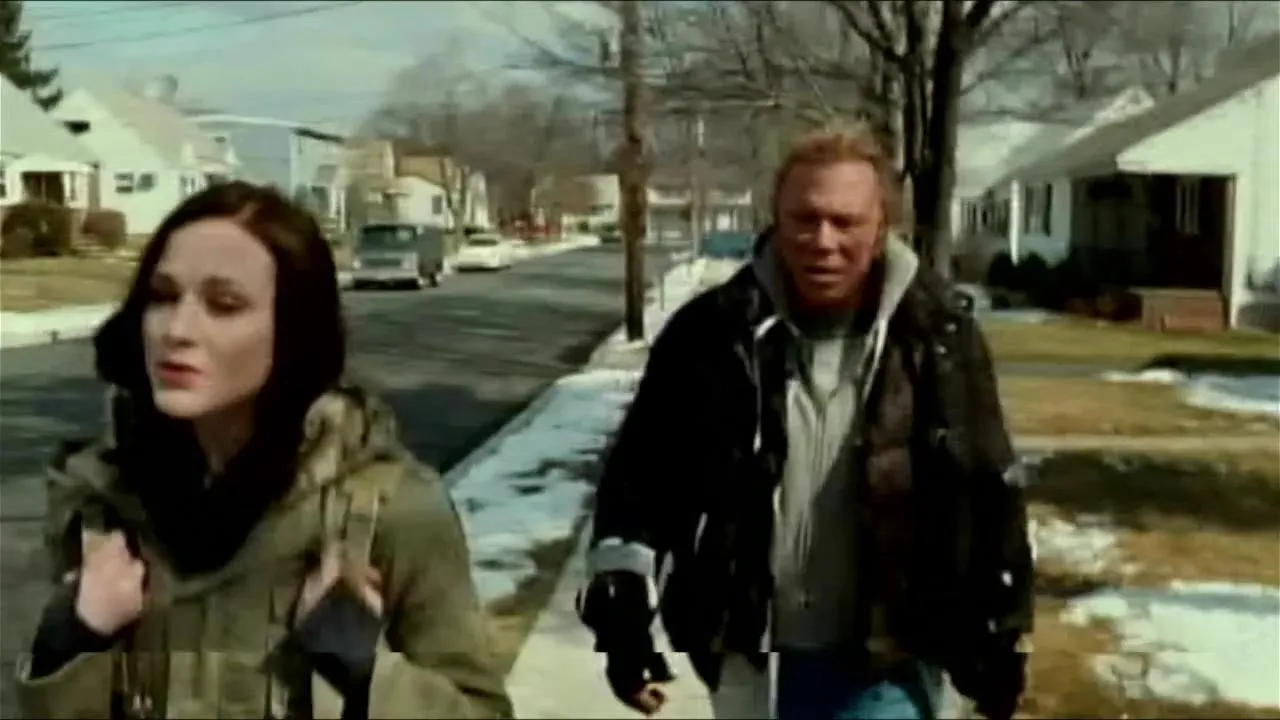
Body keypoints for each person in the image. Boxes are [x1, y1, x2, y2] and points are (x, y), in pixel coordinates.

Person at [578, 124, 1034, 720]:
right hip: (747, 649)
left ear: (882, 226)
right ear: (776, 218)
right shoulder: (713, 334)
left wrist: (1000, 627)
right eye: (805, 219)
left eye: (845, 222)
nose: (823, 240)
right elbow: (641, 477)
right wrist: (620, 609)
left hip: (888, 651)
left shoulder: (937, 336)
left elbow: (989, 483)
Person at [14, 182, 514, 719]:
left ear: (293, 332)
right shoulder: (100, 503)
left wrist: (364, 670)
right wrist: (69, 640)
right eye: (162, 296)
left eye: (224, 305)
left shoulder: (392, 511)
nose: (176, 330)